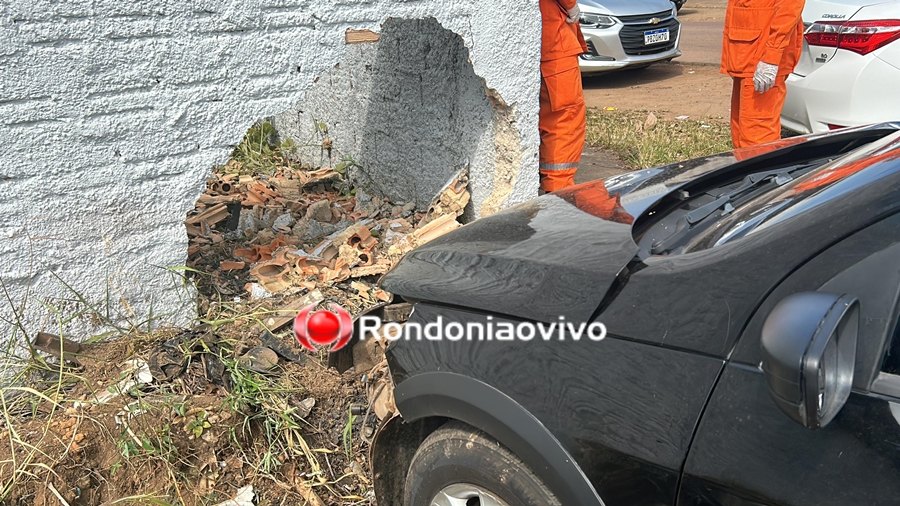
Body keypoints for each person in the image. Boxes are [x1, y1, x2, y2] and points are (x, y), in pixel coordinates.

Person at [721, 0, 805, 148]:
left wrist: (771, 55)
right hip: (747, 52)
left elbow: (789, 8)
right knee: (741, 134)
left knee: (758, 138)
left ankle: (759, 164)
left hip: (761, 53)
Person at [539, 0, 588, 192]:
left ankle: (552, 182)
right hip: (554, 40)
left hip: (544, 38)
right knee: (564, 118)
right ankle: (558, 188)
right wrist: (571, 5)